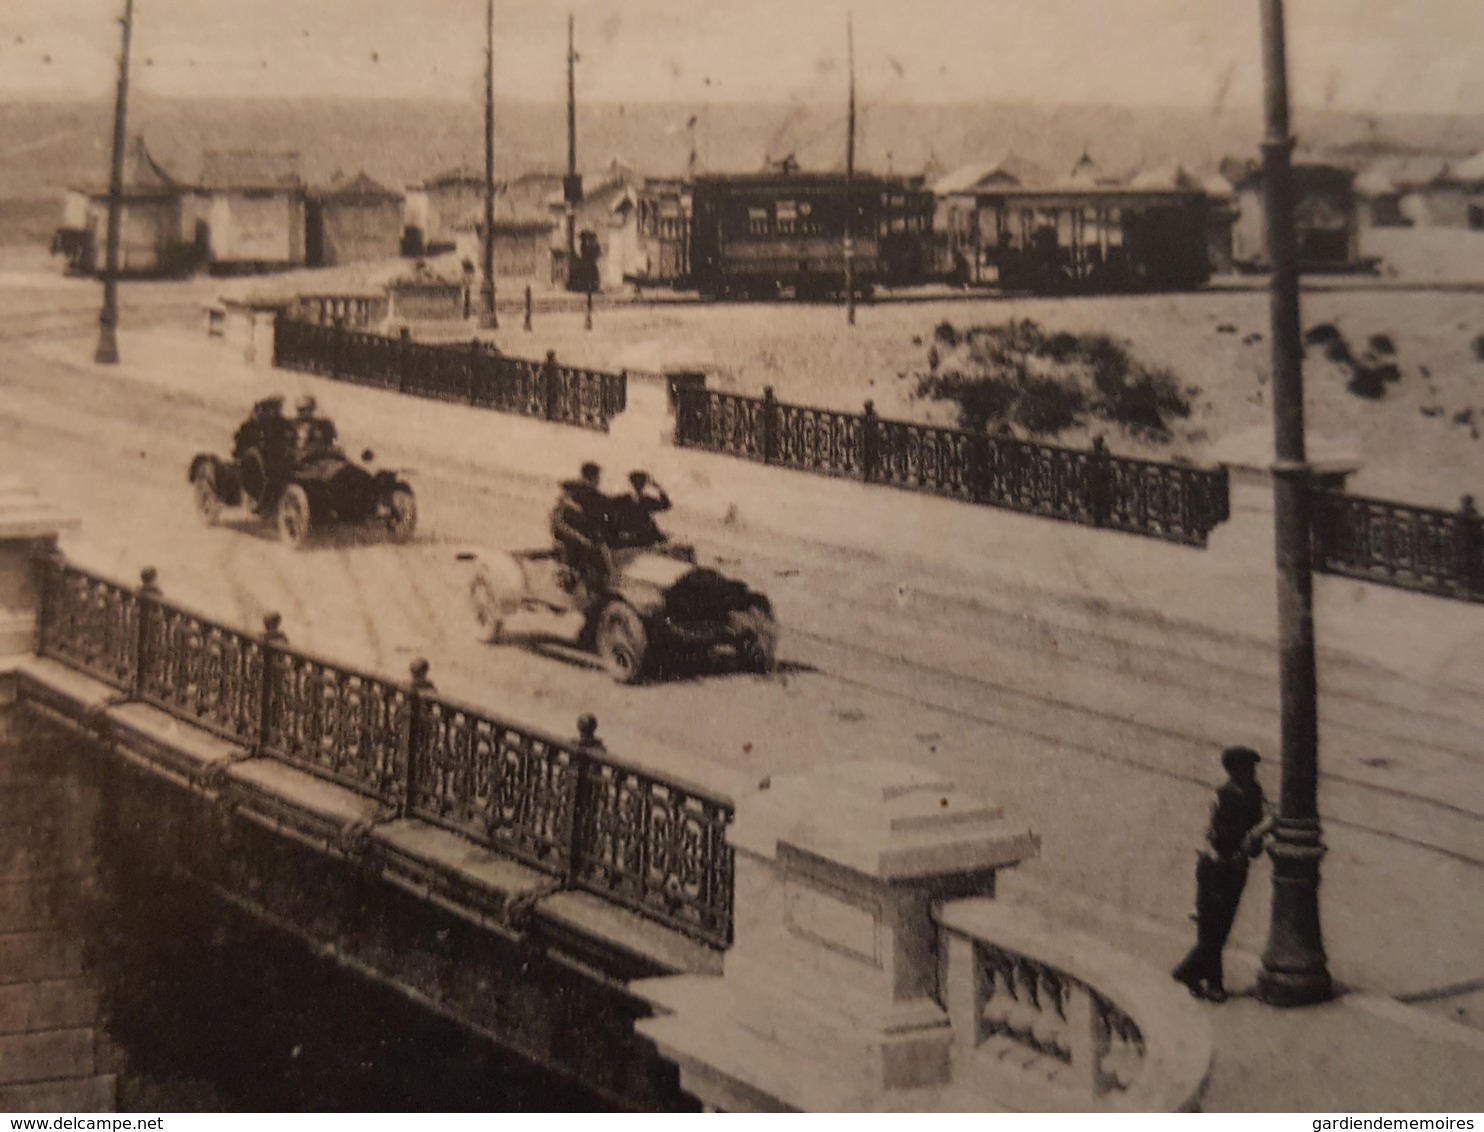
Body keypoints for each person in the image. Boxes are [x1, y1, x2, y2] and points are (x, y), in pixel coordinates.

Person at [1172, 746, 1273, 1003]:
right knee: (1212, 930)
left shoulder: (1254, 792)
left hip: (1235, 868)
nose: (1253, 773)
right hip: (1216, 867)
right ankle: (1207, 981)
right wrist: (1253, 838)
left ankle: (1190, 973)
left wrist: (1257, 838)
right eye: (1248, 769)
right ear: (1235, 771)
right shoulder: (1225, 796)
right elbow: (1220, 837)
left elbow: (1258, 826)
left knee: (1220, 928)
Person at [550, 462, 610, 599]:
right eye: (597, 477)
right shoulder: (576, 498)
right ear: (593, 477)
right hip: (571, 541)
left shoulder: (584, 495)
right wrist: (582, 539)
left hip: (578, 538)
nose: (599, 480)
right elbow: (561, 525)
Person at [608, 470, 671, 549]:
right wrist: (658, 488)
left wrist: (659, 489)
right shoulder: (622, 500)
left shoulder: (646, 500)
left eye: (641, 484)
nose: (638, 487)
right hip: (630, 537)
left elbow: (666, 505)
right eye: (637, 484)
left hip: (642, 537)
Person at [293, 395, 338, 462]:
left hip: (318, 458)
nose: (302, 413)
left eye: (306, 409)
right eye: (300, 410)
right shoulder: (291, 424)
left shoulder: (323, 424)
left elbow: (332, 441)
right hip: (298, 457)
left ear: (312, 409)